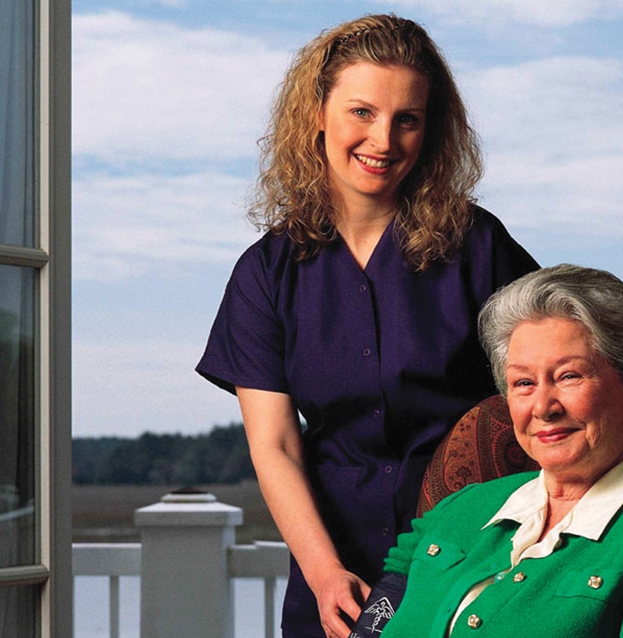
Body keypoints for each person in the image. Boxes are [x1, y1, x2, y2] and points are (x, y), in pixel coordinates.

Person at [195, 13, 539, 638]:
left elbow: (548, 384)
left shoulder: (481, 248)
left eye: (406, 118)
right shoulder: (264, 274)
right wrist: (325, 572)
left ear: (429, 130)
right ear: (316, 115)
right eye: (362, 112)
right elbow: (274, 445)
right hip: (333, 570)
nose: (383, 140)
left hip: (473, 556)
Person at [366, 264, 623, 637]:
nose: (542, 407)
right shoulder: (466, 505)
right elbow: (383, 606)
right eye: (523, 383)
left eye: (568, 376)